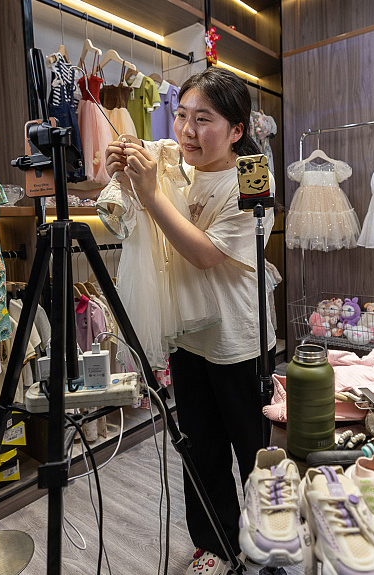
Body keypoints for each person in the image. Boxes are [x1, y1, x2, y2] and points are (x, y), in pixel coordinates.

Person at [105, 67, 277, 575]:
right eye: (181, 116)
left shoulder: (252, 177)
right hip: (188, 334)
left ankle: (269, 538)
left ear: (237, 130)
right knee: (200, 450)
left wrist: (150, 192)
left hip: (237, 338)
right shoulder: (170, 161)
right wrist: (123, 167)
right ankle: (214, 546)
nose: (187, 131)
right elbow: (122, 199)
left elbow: (205, 255)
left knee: (253, 451)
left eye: (204, 120)